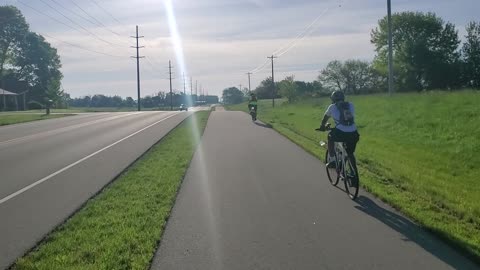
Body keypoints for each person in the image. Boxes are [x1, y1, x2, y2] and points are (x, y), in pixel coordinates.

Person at [318, 90, 360, 166]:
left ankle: (332, 160)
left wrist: (322, 126)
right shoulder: (351, 105)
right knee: (350, 153)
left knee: (330, 137)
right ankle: (354, 173)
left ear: (333, 99)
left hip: (340, 133)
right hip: (354, 133)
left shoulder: (332, 107)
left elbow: (325, 118)